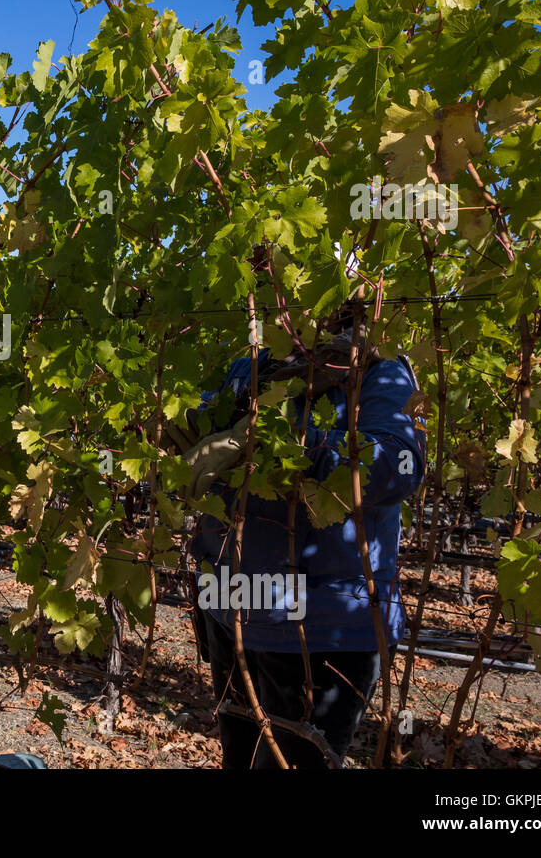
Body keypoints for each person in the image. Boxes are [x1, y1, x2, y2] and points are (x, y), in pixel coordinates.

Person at [181, 304, 426, 768]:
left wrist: (283, 445)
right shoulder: (253, 365)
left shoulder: (381, 372)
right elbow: (201, 427)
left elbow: (398, 467)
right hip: (231, 611)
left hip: (322, 631)